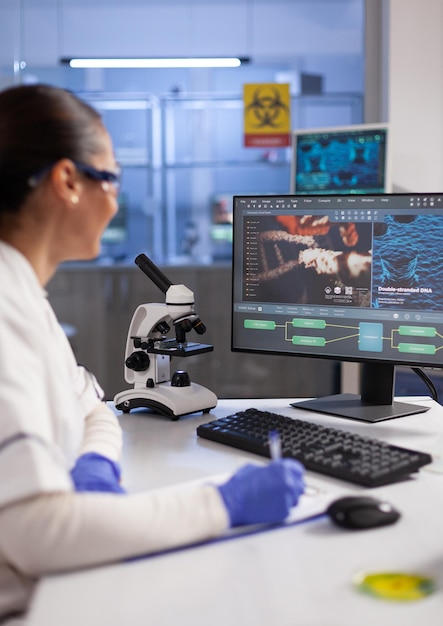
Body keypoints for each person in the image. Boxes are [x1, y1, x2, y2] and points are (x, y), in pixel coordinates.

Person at [0, 84, 305, 625]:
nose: (116, 199)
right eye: (111, 178)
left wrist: (95, 463)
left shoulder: (23, 293)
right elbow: (39, 535)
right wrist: (223, 504)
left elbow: (90, 401)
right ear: (68, 181)